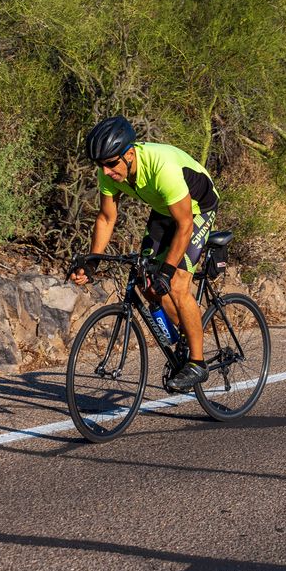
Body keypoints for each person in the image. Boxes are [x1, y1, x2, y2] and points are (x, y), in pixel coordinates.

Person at [71, 115, 219, 391]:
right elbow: (106, 217)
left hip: (197, 210)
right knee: (147, 283)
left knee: (175, 284)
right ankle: (186, 336)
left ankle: (198, 363)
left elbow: (185, 225)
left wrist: (167, 270)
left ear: (129, 154)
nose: (107, 172)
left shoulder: (161, 168)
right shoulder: (110, 170)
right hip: (165, 209)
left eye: (111, 164)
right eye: (101, 166)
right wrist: (92, 261)